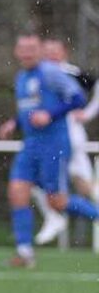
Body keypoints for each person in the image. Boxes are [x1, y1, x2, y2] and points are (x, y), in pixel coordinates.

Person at [0, 34, 96, 267]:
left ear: (39, 51)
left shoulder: (51, 73)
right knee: (17, 191)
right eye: (23, 48)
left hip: (54, 144)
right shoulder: (21, 77)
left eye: (32, 48)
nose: (27, 53)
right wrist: (15, 123)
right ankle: (24, 253)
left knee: (57, 202)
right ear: (16, 52)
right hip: (31, 144)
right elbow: (29, 110)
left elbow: (78, 98)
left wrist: (51, 115)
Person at [31, 38, 99, 245]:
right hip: (53, 139)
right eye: (47, 51)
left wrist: (87, 113)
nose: (51, 55)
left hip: (67, 138)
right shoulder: (40, 75)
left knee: (81, 188)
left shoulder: (68, 73)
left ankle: (55, 216)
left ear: (64, 53)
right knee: (35, 180)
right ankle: (55, 216)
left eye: (55, 51)